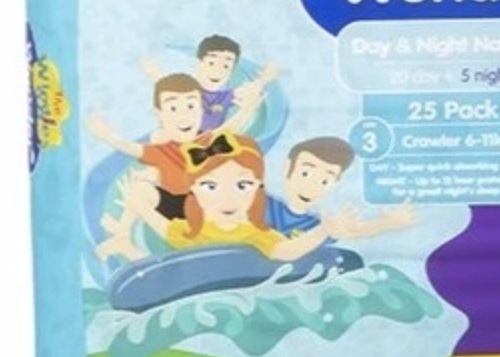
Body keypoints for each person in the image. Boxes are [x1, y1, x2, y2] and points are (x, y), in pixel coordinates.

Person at [87, 72, 263, 260]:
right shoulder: (161, 150)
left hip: (203, 204)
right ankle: (122, 235)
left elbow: (231, 127)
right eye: (173, 108)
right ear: (160, 114)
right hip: (173, 205)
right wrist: (107, 136)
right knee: (138, 190)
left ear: (201, 110)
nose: (183, 116)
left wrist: (248, 109)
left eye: (190, 106)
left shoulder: (208, 141)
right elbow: (131, 148)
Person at [115, 134, 331, 262]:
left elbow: (286, 251)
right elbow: (165, 230)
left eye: (242, 185)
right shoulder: (190, 231)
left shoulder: (258, 235)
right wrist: (142, 207)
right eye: (211, 186)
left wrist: (323, 230)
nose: (227, 197)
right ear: (194, 191)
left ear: (257, 189)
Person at [267, 136, 416, 240]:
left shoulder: (313, 223)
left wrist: (388, 223)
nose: (312, 187)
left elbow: (349, 231)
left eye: (324, 181)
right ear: (287, 167)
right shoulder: (265, 204)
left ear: (334, 184)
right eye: (305, 173)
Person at [141, 34, 278, 135]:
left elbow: (248, 92)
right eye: (211, 63)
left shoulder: (225, 96)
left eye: (226, 66)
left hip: (209, 143)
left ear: (231, 71)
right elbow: (167, 87)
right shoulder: (188, 90)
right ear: (199, 62)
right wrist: (153, 73)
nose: (217, 70)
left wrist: (264, 79)